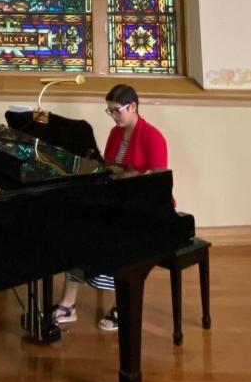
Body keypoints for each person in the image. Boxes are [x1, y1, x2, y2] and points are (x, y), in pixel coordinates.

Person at [51, 84, 169, 332]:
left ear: (133, 106)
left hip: (145, 206)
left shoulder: (153, 136)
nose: (113, 116)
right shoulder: (116, 134)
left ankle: (121, 304)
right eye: (110, 111)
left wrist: (127, 175)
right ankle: (68, 302)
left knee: (116, 235)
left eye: (116, 110)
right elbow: (110, 166)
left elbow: (159, 184)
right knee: (77, 227)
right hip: (119, 199)